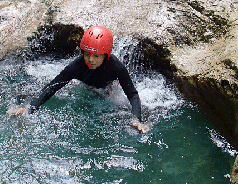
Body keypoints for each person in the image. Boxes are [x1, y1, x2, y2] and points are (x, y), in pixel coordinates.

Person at [8, 26, 149, 134]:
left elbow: (132, 94)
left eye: (96, 56)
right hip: (88, 86)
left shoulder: (117, 67)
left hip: (109, 89)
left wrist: (136, 120)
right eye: (87, 54)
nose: (90, 60)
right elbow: (52, 87)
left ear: (106, 55)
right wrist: (30, 108)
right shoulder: (76, 66)